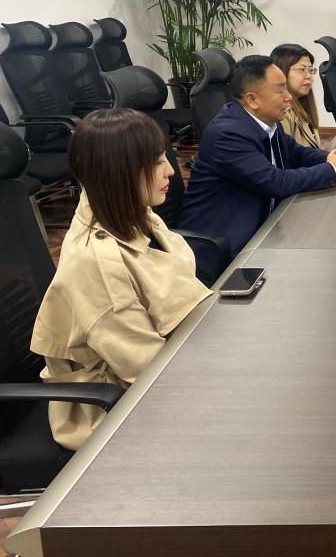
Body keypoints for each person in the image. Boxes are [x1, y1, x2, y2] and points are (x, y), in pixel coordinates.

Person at [30, 109, 212, 450]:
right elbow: (146, 369)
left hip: (167, 357)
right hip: (118, 406)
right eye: (156, 162)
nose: (171, 170)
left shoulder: (128, 212)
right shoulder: (96, 263)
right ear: (118, 173)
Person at [179, 55, 336, 264]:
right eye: (280, 90)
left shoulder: (266, 122)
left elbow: (296, 153)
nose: (289, 97)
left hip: (263, 227)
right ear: (252, 100)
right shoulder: (228, 134)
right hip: (224, 248)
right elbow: (275, 182)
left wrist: (331, 157)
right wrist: (332, 169)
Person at [271, 43, 321, 148]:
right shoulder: (281, 113)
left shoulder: (301, 104)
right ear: (281, 72)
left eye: (311, 70)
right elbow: (287, 156)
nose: (309, 76)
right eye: (301, 70)